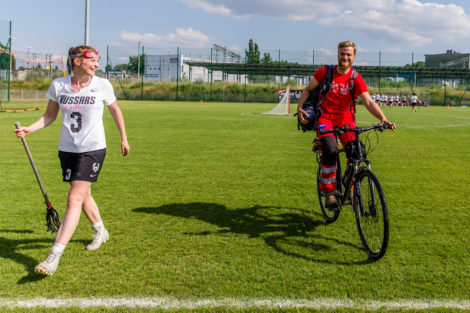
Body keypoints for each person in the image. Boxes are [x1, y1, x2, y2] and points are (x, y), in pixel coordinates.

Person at [14, 45, 130, 276]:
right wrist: (30, 129)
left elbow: (115, 111)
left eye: (97, 60)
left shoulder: (102, 85)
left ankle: (53, 256)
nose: (96, 64)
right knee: (83, 194)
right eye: (92, 60)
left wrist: (124, 138)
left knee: (74, 197)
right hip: (67, 149)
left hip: (93, 148)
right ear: (76, 61)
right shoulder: (59, 85)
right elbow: (49, 116)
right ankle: (100, 230)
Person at [297, 41, 395, 209]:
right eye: (342, 53)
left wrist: (383, 118)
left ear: (354, 57)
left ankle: (348, 185)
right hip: (325, 119)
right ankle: (329, 193)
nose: (345, 57)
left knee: (358, 151)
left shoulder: (356, 78)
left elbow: (368, 101)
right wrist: (300, 108)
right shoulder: (325, 72)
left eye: (349, 54)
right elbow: (307, 90)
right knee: (330, 147)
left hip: (346, 121)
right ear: (338, 54)